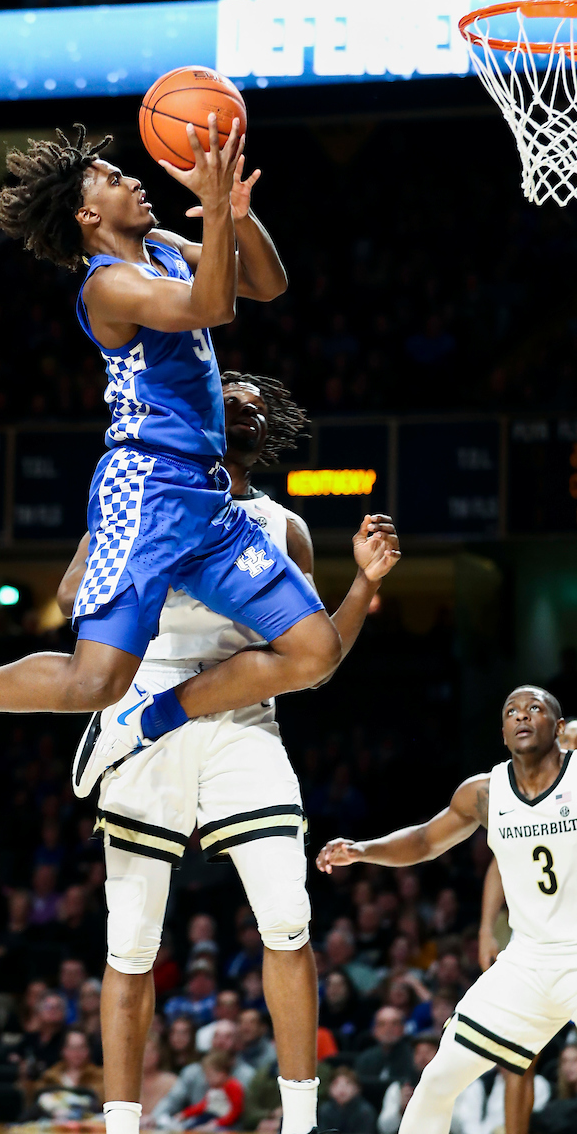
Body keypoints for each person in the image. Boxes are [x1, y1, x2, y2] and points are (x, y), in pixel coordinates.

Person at [0, 116, 403, 805]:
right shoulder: (107, 286)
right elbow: (212, 305)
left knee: (314, 651)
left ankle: (147, 720)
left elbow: (266, 285)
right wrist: (214, 211)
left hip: (206, 496)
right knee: (92, 682)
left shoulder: (160, 246)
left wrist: (237, 216)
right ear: (88, 214)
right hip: (148, 489)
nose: (135, 180)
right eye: (115, 178)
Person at [58, 371, 400, 1134]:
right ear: (202, 413)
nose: (241, 406)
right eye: (228, 396)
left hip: (245, 715)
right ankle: (122, 1124)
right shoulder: (141, 495)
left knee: (288, 915)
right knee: (131, 939)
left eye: (254, 405)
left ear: (264, 433)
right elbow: (69, 599)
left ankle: (301, 1122)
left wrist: (363, 583)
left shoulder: (285, 527)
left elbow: (318, 659)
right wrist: (148, 562)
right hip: (146, 690)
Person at [316, 685, 577, 1134]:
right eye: (511, 711)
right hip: (527, 961)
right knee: (437, 1080)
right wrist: (363, 850)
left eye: (535, 708)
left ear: (556, 727)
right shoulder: (484, 793)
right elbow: (424, 840)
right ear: (502, 733)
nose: (521, 715)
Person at [476, 714, 577, 1134]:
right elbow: (499, 862)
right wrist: (486, 928)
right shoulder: (517, 794)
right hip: (534, 941)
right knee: (516, 1054)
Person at [178, 1050, 245, 1130]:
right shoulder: (214, 1088)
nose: (206, 1080)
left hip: (225, 1123)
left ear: (221, 1074)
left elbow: (236, 1110)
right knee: (189, 1126)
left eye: (209, 1076)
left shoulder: (232, 1086)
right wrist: (185, 1114)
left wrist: (218, 1123)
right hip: (209, 1117)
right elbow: (203, 1105)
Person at [318, 1065, 377, 1133]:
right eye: (336, 1083)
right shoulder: (324, 1110)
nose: (342, 1088)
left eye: (348, 1083)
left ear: (357, 1088)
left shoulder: (365, 1112)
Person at [140, 1032, 178, 1123]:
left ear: (159, 1053)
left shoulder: (171, 1081)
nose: (147, 1056)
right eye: (143, 1051)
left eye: (151, 1051)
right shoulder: (125, 1084)